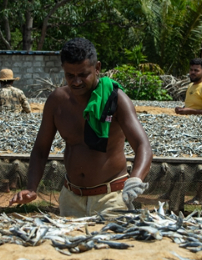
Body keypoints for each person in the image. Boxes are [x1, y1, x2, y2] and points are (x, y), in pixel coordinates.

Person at [10, 37, 153, 217]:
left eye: (83, 75)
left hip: (110, 197)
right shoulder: (57, 101)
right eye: (70, 75)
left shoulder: (115, 100)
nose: (76, 81)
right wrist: (31, 188)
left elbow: (143, 146)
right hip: (71, 197)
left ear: (97, 68)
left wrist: (136, 179)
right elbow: (40, 149)